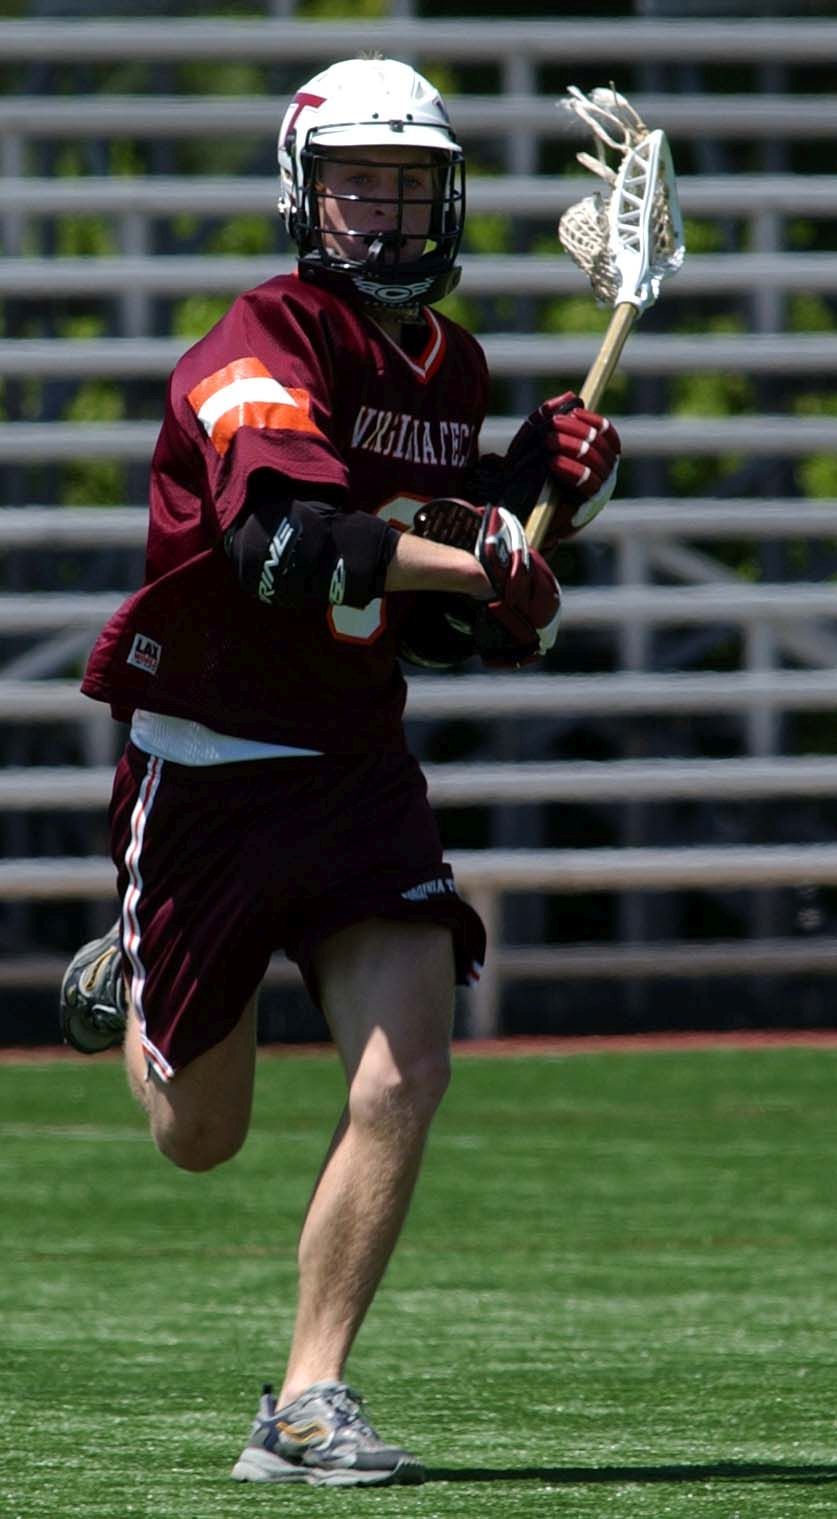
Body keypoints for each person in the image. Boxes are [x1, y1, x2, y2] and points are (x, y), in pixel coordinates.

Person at [58, 57, 620, 1487]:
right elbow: (287, 551)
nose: (384, 210)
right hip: (210, 771)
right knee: (200, 1137)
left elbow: (425, 618)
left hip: (356, 767)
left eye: (410, 183)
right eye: (357, 183)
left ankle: (308, 1401)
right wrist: (487, 560)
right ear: (303, 195)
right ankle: (135, 964)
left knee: (407, 1068)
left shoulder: (453, 367)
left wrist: (533, 495)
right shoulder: (258, 342)